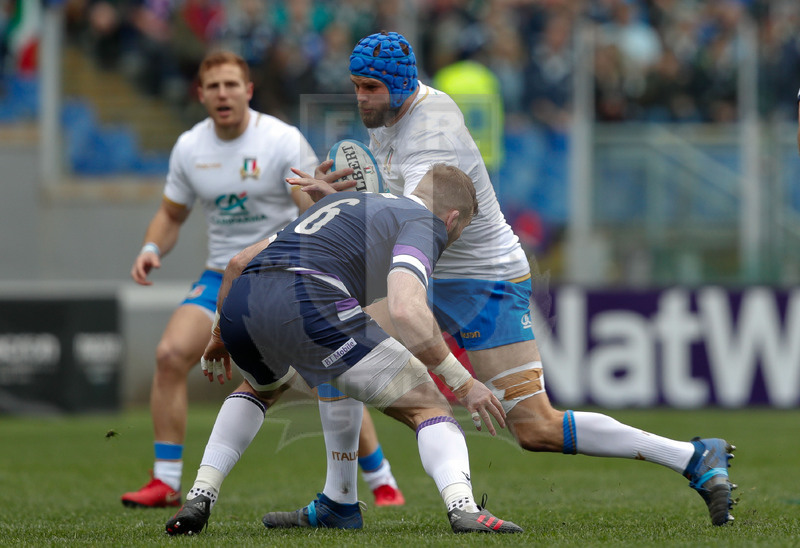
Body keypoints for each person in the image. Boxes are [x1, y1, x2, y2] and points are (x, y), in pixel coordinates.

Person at [272, 30, 738, 527]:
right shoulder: (391, 111)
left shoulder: (432, 133)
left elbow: (410, 225)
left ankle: (691, 456)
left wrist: (347, 208)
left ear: (402, 86)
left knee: (535, 428)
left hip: (484, 279)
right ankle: (339, 501)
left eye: (370, 88)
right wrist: (346, 192)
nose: (360, 97)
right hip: (431, 269)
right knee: (336, 347)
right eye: (356, 86)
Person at [165, 164, 523, 535]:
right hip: (308, 300)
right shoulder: (425, 222)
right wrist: (464, 383)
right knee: (428, 404)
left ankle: (202, 495)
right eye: (460, 230)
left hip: (243, 305)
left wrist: (220, 333)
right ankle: (463, 507)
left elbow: (238, 263)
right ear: (451, 219)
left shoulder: (352, 202)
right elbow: (406, 308)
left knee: (262, 388)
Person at [121, 49, 404, 509]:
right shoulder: (190, 147)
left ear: (248, 91)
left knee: (328, 370)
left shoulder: (280, 140)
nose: (223, 93)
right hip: (221, 275)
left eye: (232, 84)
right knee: (171, 354)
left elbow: (310, 207)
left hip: (280, 271)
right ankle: (166, 481)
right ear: (201, 94)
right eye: (213, 86)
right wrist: (152, 248)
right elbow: (170, 215)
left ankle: (381, 479)